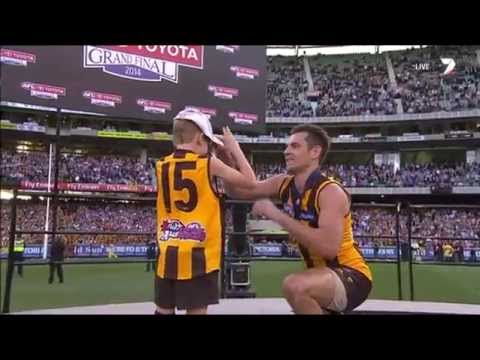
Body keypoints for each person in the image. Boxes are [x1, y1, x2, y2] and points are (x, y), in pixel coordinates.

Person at [224, 124, 373, 315]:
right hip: (321, 275)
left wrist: (277, 215)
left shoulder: (330, 191)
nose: (286, 151)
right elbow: (242, 190)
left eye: (295, 146)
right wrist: (230, 155)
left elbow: (328, 248)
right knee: (296, 288)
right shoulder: (284, 183)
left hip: (351, 274)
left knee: (294, 286)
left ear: (315, 152)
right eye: (287, 146)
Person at [154, 108, 256, 315]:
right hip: (199, 256)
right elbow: (250, 182)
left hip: (168, 253)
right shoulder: (207, 163)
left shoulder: (161, 165)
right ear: (201, 139)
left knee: (163, 311)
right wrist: (235, 149)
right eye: (209, 143)